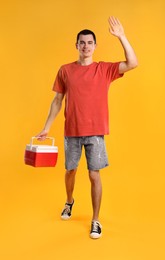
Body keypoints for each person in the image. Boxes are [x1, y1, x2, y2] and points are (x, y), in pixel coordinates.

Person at [36, 16, 138, 239]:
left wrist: (121, 36)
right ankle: (69, 201)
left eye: (89, 42)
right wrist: (46, 127)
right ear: (76, 46)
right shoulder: (65, 70)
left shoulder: (104, 69)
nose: (85, 46)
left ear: (95, 46)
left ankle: (96, 220)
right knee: (70, 170)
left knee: (94, 175)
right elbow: (57, 100)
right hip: (71, 131)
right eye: (82, 42)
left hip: (96, 133)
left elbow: (132, 63)